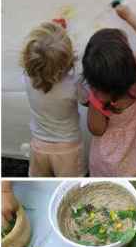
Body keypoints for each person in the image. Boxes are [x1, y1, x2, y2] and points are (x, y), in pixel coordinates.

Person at [82, 4, 136, 176]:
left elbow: (97, 129)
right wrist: (128, 16)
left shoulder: (100, 98)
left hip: (111, 162)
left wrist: (94, 98)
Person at [20, 19, 87, 176]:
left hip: (38, 145)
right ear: (68, 61)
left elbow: (43, 57)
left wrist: (53, 37)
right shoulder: (73, 85)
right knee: (70, 188)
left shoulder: (26, 79)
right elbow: (87, 100)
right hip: (68, 149)